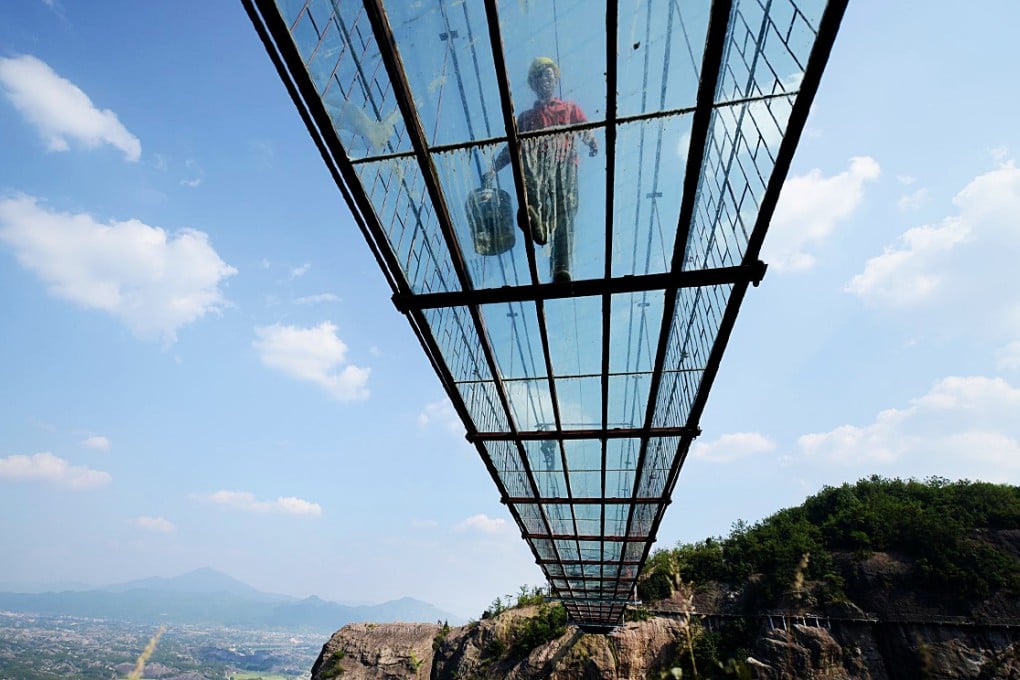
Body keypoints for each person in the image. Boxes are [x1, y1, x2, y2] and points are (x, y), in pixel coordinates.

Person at [485, 57, 598, 282]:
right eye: (540, 76)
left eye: (548, 75)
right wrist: (494, 168)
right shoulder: (526, 118)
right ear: (533, 84)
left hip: (564, 164)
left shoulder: (569, 108)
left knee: (564, 212)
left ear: (555, 79)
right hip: (537, 167)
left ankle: (560, 266)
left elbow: (583, 128)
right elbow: (512, 147)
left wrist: (591, 142)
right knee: (538, 197)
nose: (545, 80)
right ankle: (533, 218)